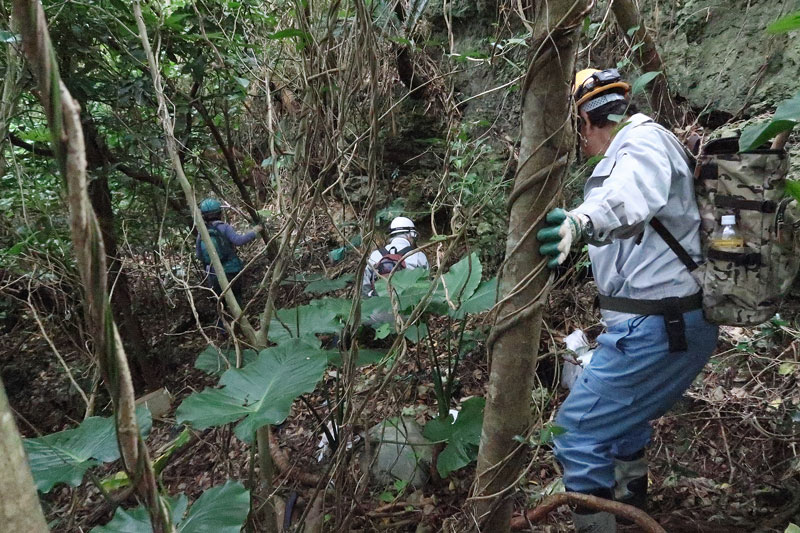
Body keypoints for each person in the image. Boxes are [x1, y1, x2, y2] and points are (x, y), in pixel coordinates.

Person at [536, 68, 719, 532]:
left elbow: (628, 195)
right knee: (620, 426)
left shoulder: (640, 144)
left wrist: (580, 222)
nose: (579, 142)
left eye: (577, 129)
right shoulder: (638, 145)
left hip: (663, 325)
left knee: (577, 434)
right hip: (661, 323)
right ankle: (631, 513)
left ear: (586, 122)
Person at [195, 198, 261, 306]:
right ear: (220, 213)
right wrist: (254, 231)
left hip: (213, 274)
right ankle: (239, 320)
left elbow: (199, 255)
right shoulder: (224, 227)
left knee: (220, 303)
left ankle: (223, 321)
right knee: (236, 298)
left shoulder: (201, 232)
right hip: (231, 269)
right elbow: (238, 241)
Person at [362, 216, 429, 298]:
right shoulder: (418, 256)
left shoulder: (375, 255)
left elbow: (365, 285)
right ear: (411, 235)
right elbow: (427, 285)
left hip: (379, 306)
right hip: (408, 305)